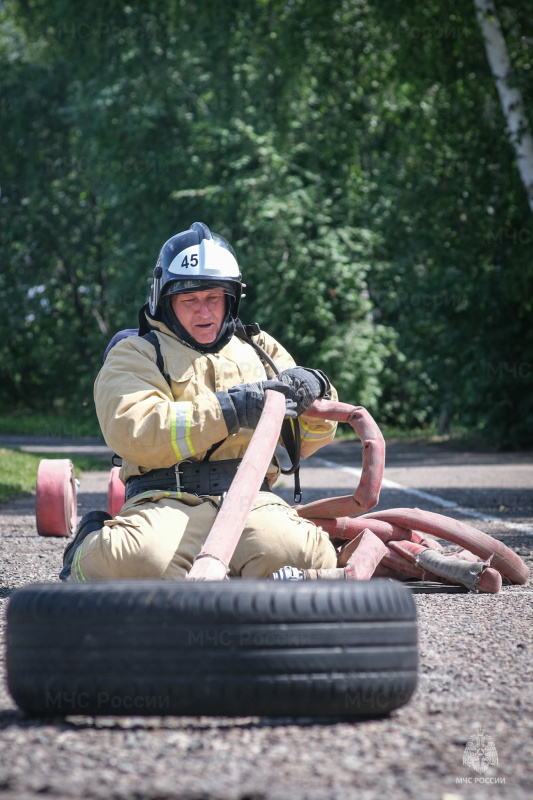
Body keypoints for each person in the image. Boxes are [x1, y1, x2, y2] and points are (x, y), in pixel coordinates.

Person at [60, 222, 338, 581]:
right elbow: (135, 431)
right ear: (165, 300)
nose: (203, 312)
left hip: (251, 499)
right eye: (189, 300)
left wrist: (318, 388)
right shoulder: (136, 353)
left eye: (213, 299)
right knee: (140, 562)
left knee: (307, 556)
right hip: (164, 499)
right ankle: (85, 547)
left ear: (231, 300)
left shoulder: (261, 349)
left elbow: (312, 439)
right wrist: (232, 409)